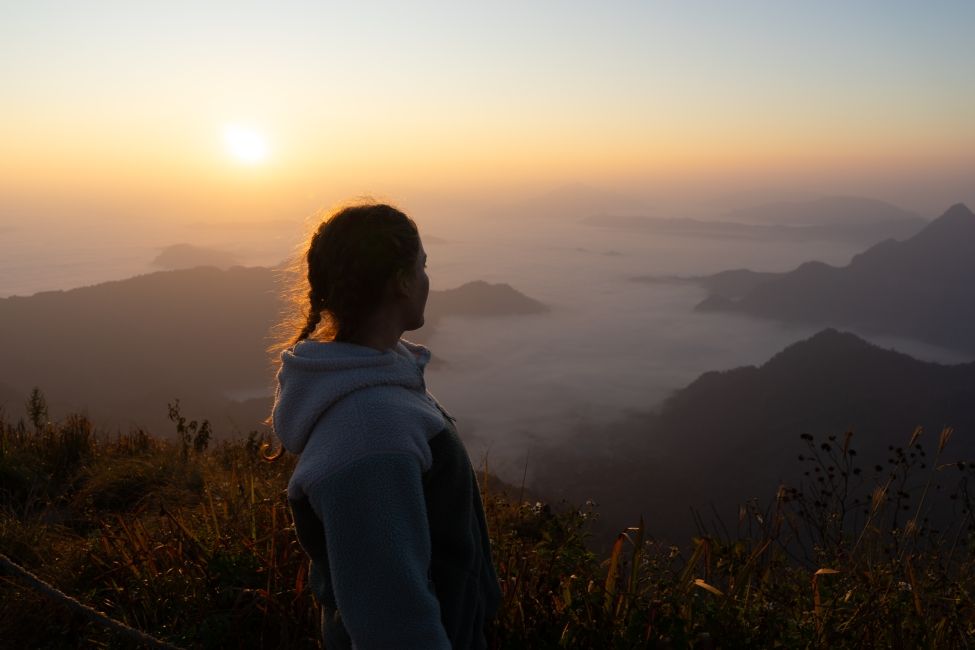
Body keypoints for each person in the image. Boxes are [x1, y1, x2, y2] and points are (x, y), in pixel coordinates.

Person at [271, 203, 501, 649]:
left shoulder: (380, 378)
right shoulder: (369, 435)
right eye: (422, 267)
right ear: (400, 281)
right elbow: (392, 623)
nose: (427, 281)